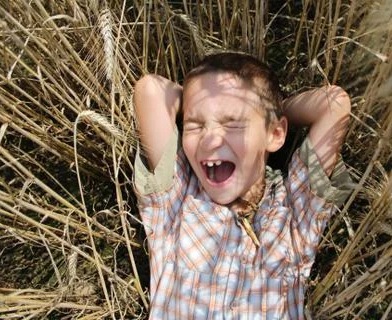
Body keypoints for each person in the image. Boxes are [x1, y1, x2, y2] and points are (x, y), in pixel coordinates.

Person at [133, 52, 352, 319]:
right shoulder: (176, 200)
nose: (210, 140)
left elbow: (334, 104)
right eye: (195, 125)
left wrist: (268, 111)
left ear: (276, 134)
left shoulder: (295, 212)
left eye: (233, 124)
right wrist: (198, 96)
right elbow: (151, 91)